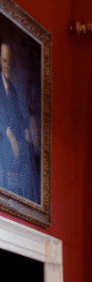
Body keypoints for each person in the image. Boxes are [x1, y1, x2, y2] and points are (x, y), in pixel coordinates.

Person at [0, 42, 40, 203]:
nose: (7, 65)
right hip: (2, 139)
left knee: (28, 147)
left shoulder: (14, 91)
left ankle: (29, 202)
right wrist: (9, 134)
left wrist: (26, 130)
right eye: (4, 61)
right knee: (22, 149)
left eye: (9, 61)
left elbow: (18, 118)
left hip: (13, 139)